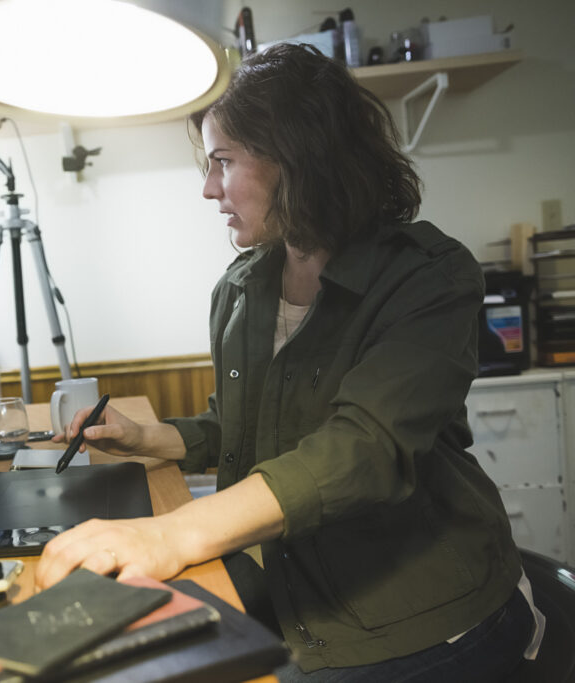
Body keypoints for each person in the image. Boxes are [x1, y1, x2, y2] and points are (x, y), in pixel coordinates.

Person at [36, 44, 542, 682]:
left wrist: (168, 535)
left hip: (424, 608)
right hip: (296, 570)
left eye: (224, 161)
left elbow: (362, 449)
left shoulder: (430, 277)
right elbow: (240, 430)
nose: (208, 188)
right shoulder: (242, 288)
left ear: (299, 161)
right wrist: (145, 437)